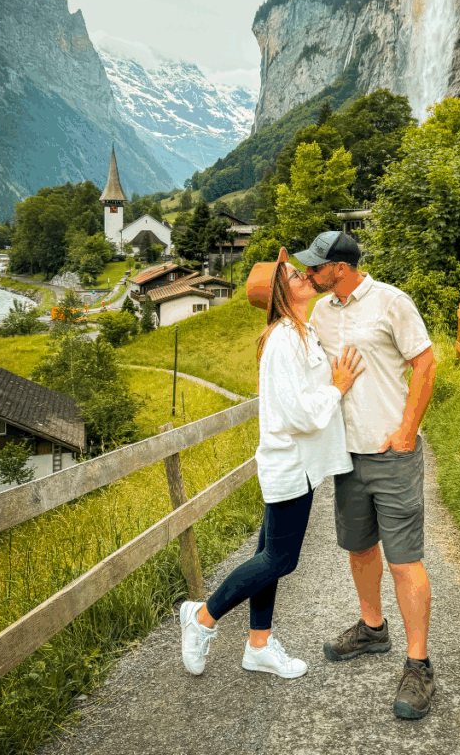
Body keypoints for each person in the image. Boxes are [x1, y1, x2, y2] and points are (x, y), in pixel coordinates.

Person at [179, 247, 363, 680]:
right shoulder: (283, 340)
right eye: (293, 274)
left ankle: (258, 646)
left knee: (268, 553)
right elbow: (299, 414)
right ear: (283, 292)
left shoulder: (303, 332)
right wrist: (337, 388)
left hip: (300, 464)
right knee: (280, 559)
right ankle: (202, 618)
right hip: (289, 464)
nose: (303, 275)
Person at [296, 230, 437, 720]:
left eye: (316, 266)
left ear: (341, 266)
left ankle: (418, 665)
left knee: (403, 560)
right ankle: (373, 629)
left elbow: (425, 363)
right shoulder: (320, 312)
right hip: (346, 456)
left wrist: (406, 431)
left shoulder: (391, 302)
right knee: (358, 547)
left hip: (391, 454)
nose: (309, 273)